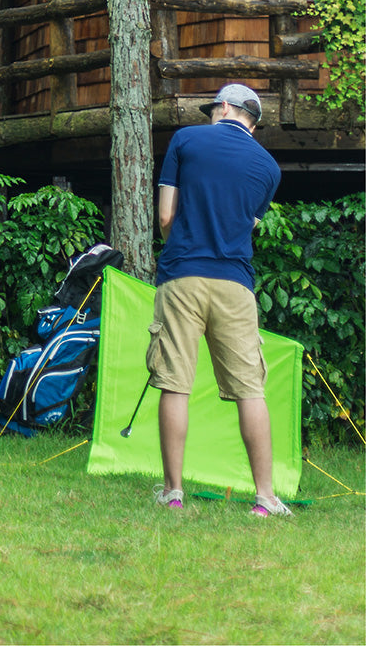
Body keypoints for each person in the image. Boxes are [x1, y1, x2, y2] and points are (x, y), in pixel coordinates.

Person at [150, 83, 291, 516]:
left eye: (213, 108)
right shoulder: (269, 168)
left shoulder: (186, 140)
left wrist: (177, 245)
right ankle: (265, 498)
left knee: (175, 383)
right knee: (251, 390)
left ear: (225, 108)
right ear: (253, 119)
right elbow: (243, 228)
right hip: (235, 283)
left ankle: (174, 493)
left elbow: (165, 216)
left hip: (182, 277)